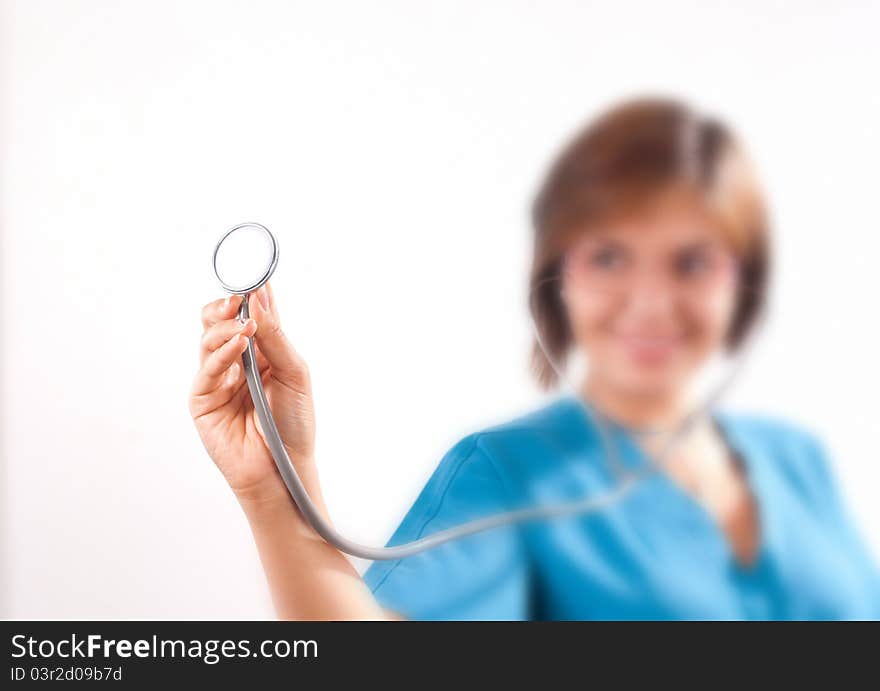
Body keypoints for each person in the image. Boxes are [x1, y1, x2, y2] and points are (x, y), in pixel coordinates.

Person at [189, 97, 880, 620]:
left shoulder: (794, 460)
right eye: (610, 257)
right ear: (560, 283)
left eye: (691, 261)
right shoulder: (511, 474)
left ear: (741, 282)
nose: (650, 299)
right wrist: (273, 493)